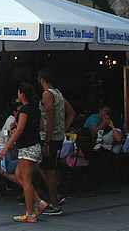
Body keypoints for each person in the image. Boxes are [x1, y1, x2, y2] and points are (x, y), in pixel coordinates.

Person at [0, 82, 46, 223]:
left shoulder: (24, 110)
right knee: (19, 175)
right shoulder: (36, 109)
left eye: (19, 92)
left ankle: (30, 213)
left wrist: (6, 148)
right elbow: (41, 127)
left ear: (22, 94)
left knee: (26, 181)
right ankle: (38, 202)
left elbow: (20, 130)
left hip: (27, 147)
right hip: (35, 145)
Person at [37, 68, 75, 217]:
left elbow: (50, 118)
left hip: (49, 137)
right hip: (58, 136)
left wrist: (46, 141)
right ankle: (55, 196)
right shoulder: (58, 93)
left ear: (42, 80)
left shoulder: (47, 95)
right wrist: (63, 129)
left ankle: (54, 204)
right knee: (44, 165)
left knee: (50, 169)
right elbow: (72, 113)